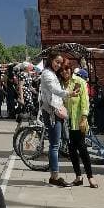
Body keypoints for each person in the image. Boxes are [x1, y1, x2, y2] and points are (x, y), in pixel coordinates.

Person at [61, 61, 97, 188]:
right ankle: (78, 176)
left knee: (82, 148)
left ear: (70, 69)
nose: (64, 72)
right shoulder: (61, 84)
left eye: (66, 69)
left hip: (79, 121)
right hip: (68, 122)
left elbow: (85, 101)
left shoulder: (79, 82)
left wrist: (84, 117)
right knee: (71, 150)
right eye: (62, 70)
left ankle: (90, 177)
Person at [38, 51, 68, 187]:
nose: (58, 65)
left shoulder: (53, 73)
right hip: (51, 112)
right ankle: (54, 176)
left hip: (55, 111)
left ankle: (54, 175)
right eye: (57, 62)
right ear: (51, 60)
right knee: (54, 145)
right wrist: (68, 93)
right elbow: (55, 90)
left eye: (60, 63)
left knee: (56, 144)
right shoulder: (47, 74)